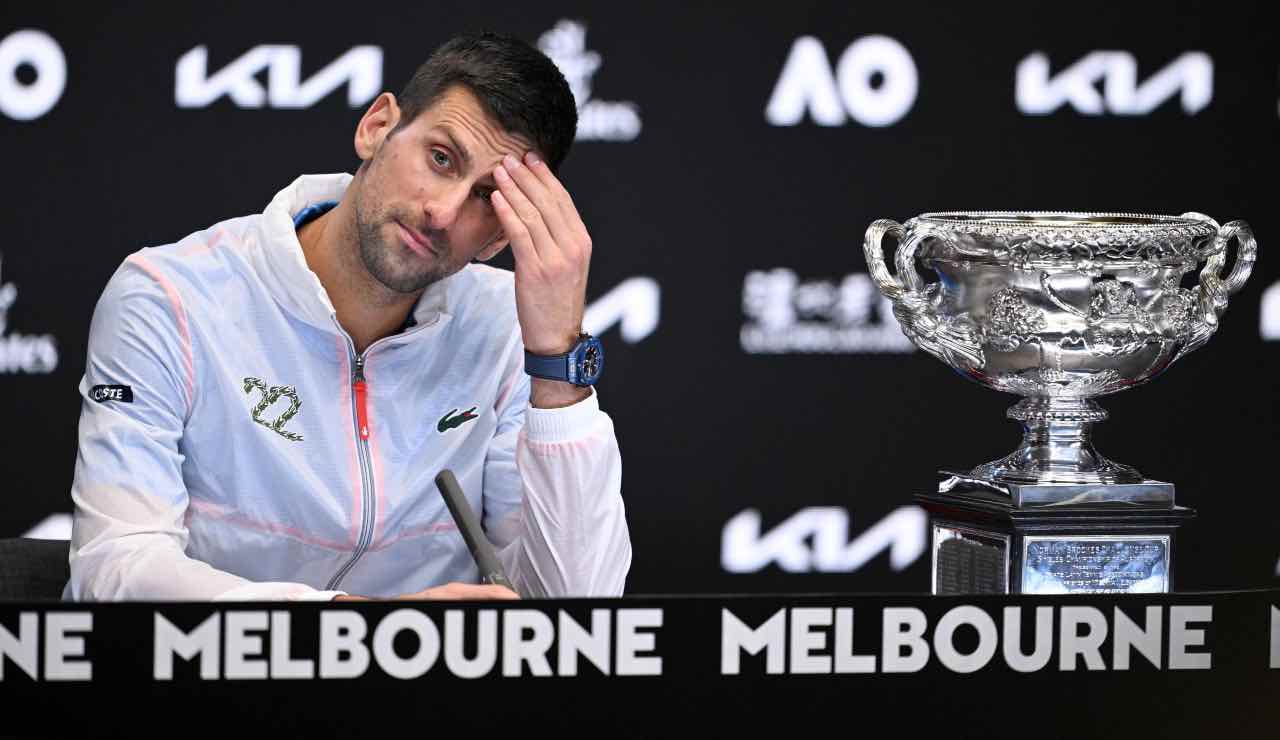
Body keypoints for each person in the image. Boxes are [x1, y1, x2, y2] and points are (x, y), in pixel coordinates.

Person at [64, 32, 630, 601]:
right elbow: (115, 568)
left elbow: (576, 613)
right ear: (377, 128)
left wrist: (558, 361)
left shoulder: (504, 331)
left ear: (500, 235)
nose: (442, 211)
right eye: (441, 158)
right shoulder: (168, 298)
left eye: (486, 197)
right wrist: (360, 630)